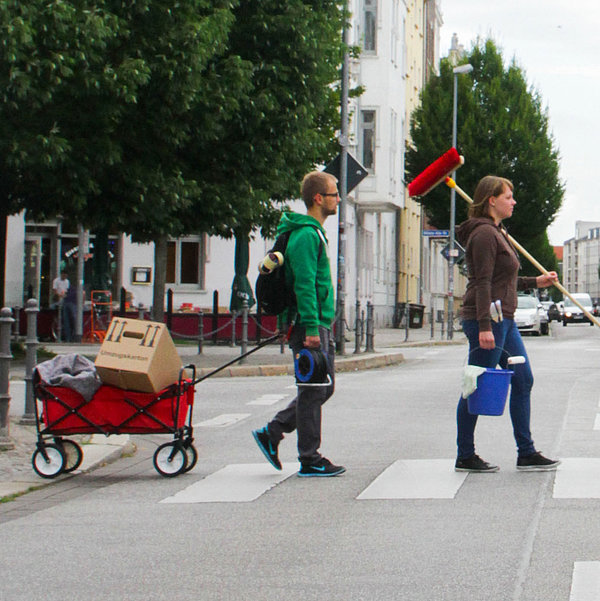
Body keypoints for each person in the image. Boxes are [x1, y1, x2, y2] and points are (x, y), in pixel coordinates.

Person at [454, 175, 561, 473]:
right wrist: (485, 326)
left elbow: (505, 280)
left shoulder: (498, 232)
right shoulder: (485, 235)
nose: (513, 202)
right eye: (508, 197)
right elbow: (483, 282)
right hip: (489, 320)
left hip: (505, 319)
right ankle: (465, 454)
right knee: (475, 384)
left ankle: (525, 452)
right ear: (491, 200)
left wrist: (536, 281)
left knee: (523, 379)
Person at [252, 171, 345, 477]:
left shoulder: (313, 232)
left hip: (316, 321)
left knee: (321, 388)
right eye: (334, 194)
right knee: (313, 390)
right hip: (309, 324)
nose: (338, 199)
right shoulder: (306, 235)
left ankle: (273, 431)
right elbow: (304, 282)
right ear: (319, 198)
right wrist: (309, 327)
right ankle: (309, 457)